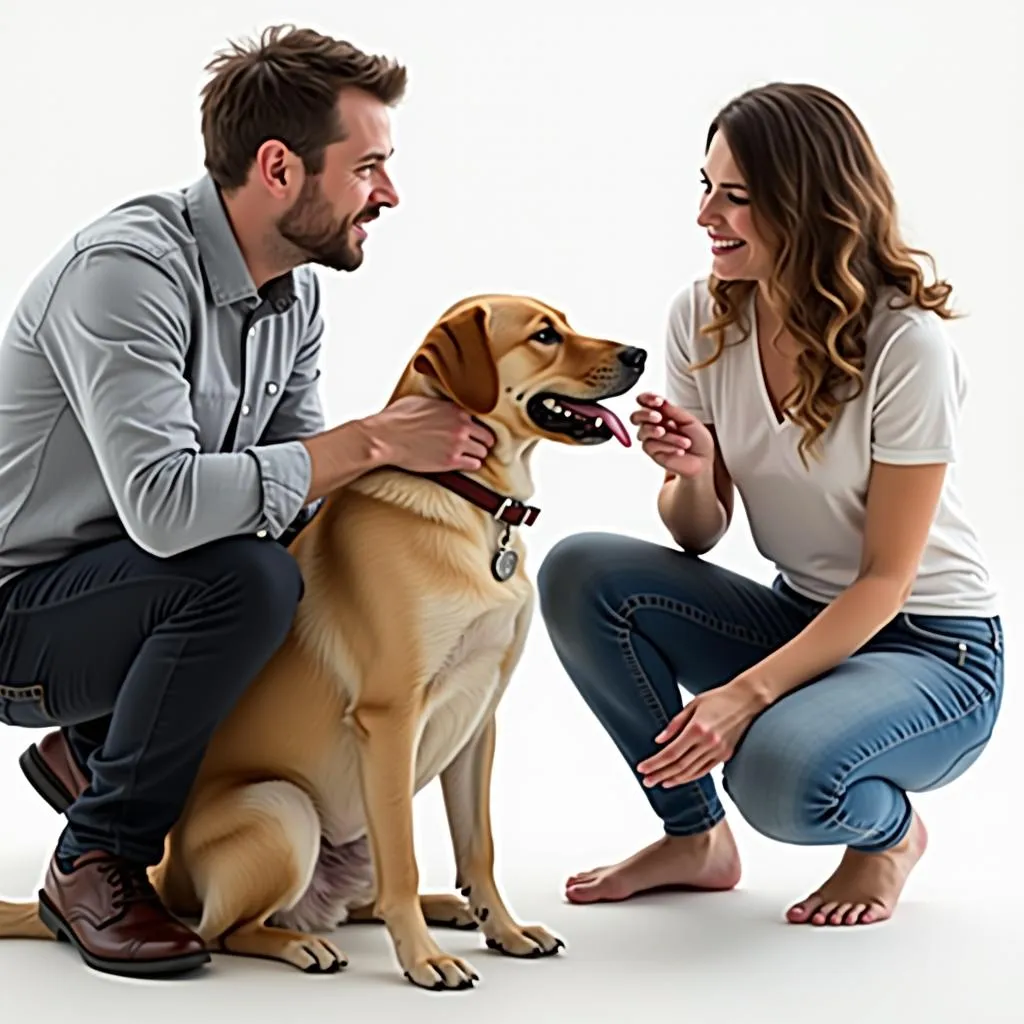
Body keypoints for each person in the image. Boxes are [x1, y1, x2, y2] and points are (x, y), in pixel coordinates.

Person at [0, 24, 495, 977]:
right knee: (248, 581)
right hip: (20, 618)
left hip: (129, 596)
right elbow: (167, 507)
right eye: (370, 168)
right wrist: (377, 440)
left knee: (298, 572)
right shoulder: (126, 274)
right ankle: (95, 855)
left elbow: (295, 496)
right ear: (278, 166)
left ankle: (103, 755)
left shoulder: (295, 294)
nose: (388, 193)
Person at [537, 82, 1003, 928]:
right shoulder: (704, 315)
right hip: (803, 619)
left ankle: (890, 837)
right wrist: (693, 468)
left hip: (934, 649)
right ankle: (694, 839)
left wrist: (741, 697)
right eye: (705, 186)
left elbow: (887, 580)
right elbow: (697, 534)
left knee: (777, 777)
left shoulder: (906, 345)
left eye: (737, 197)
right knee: (581, 572)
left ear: (811, 206)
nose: (708, 214)